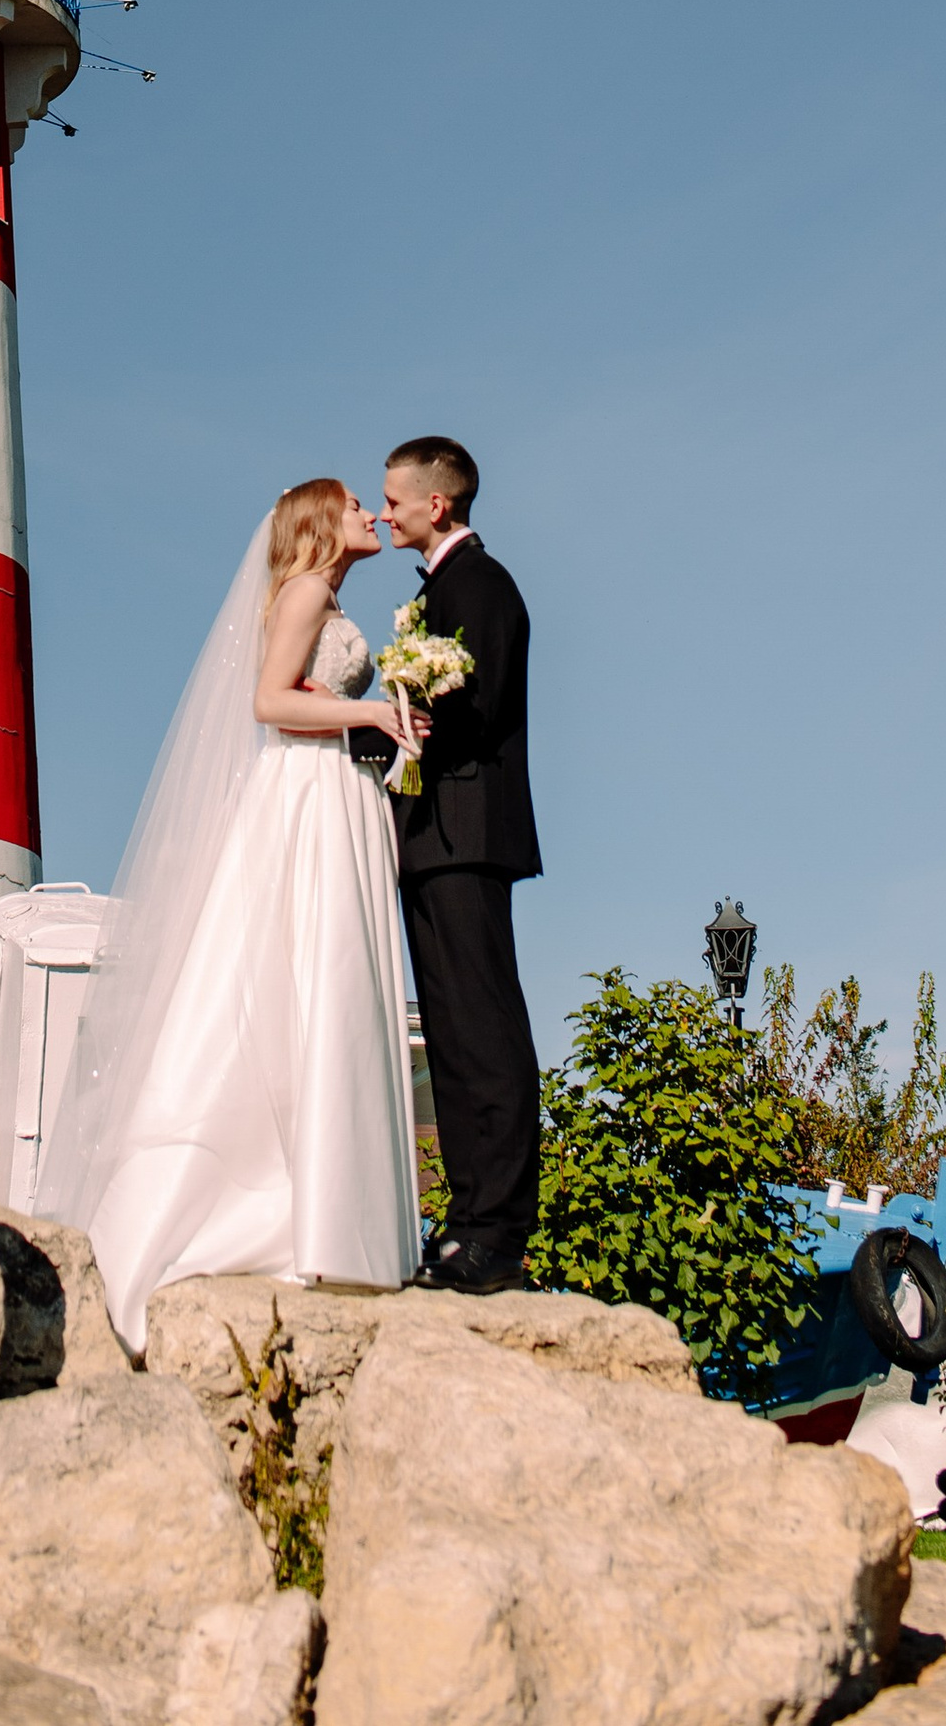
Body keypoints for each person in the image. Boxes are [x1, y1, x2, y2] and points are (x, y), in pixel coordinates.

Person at [35, 478, 426, 1351]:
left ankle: (323, 1207)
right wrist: (367, 710)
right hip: (307, 793)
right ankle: (285, 1209)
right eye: (355, 503)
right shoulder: (308, 590)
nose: (370, 512)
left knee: (319, 986)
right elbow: (269, 700)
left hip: (332, 788)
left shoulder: (321, 594)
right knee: (303, 978)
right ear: (321, 524)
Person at [382, 436, 542, 1296]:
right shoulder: (442, 590)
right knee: (449, 1030)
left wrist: (418, 712)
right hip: (435, 835)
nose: (386, 511)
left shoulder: (482, 586)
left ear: (436, 503)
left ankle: (498, 1231)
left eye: (395, 497)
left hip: (468, 832)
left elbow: (479, 707)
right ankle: (471, 1214)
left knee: (482, 1026)